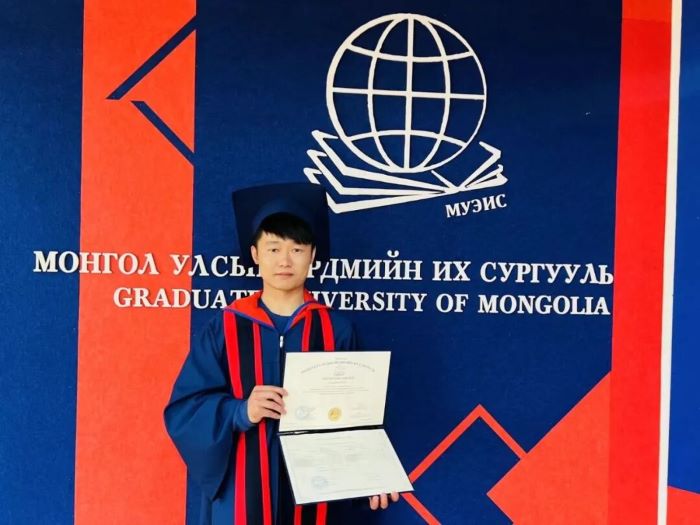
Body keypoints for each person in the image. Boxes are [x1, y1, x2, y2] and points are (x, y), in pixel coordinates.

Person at [164, 183, 398, 525]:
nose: (285, 261)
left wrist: (371, 474)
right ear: (255, 254)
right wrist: (240, 411)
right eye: (273, 248)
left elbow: (356, 416)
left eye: (297, 249)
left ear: (312, 255)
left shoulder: (336, 330)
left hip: (316, 492)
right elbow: (186, 410)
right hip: (241, 492)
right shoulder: (226, 328)